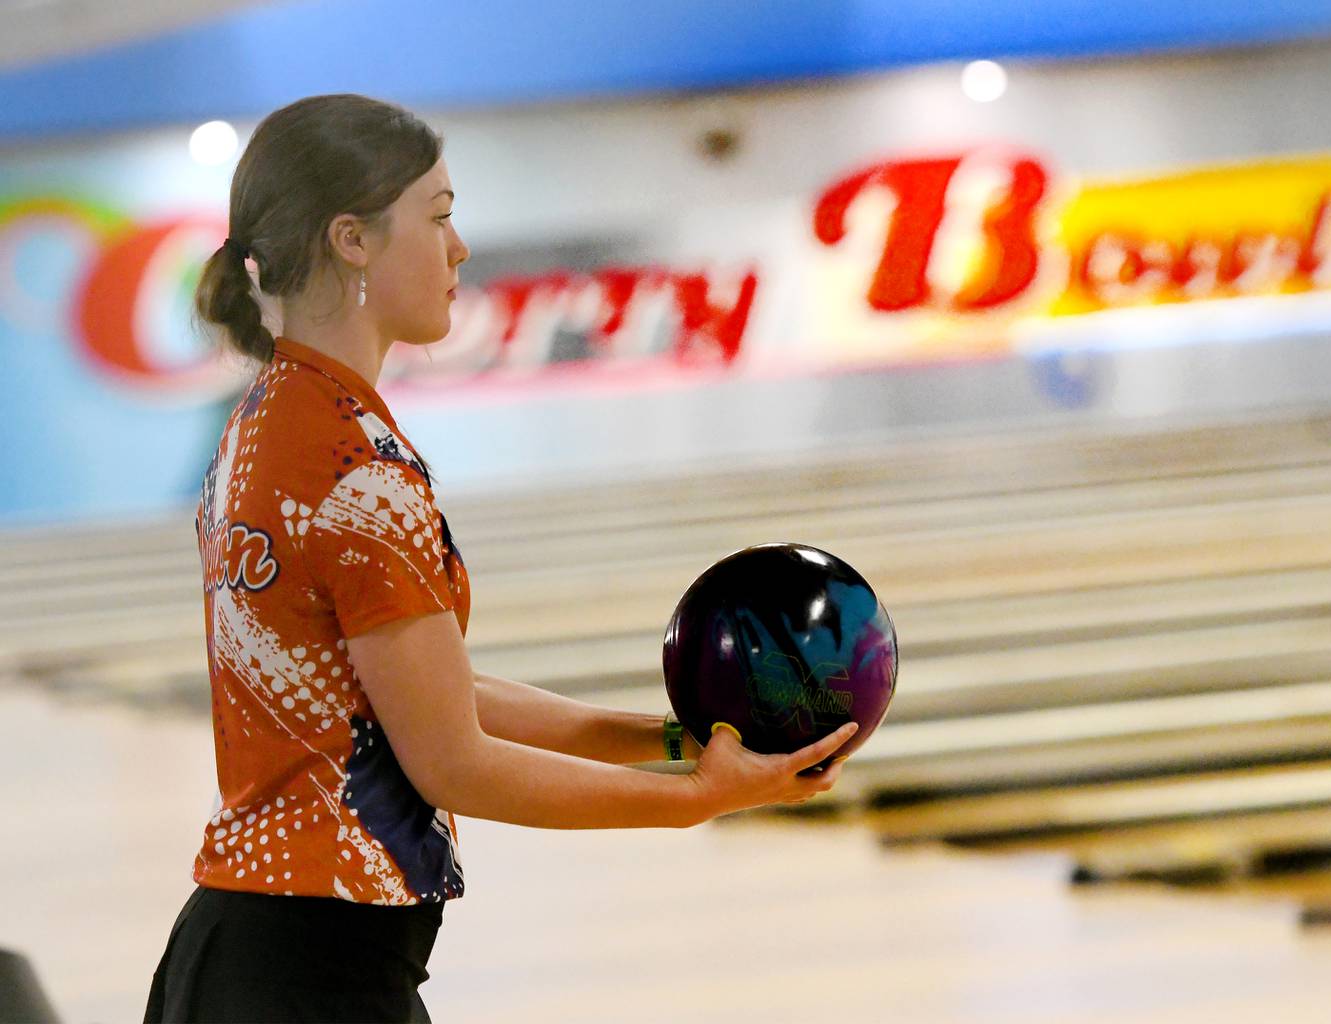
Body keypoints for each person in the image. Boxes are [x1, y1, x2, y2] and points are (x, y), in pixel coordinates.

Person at [143, 93, 855, 1023]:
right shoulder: (356, 469)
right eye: (437, 216)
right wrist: (694, 801)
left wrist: (668, 741)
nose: (459, 247)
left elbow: (418, 697)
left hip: (254, 956)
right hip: (314, 979)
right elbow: (454, 763)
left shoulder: (267, 424)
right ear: (352, 239)